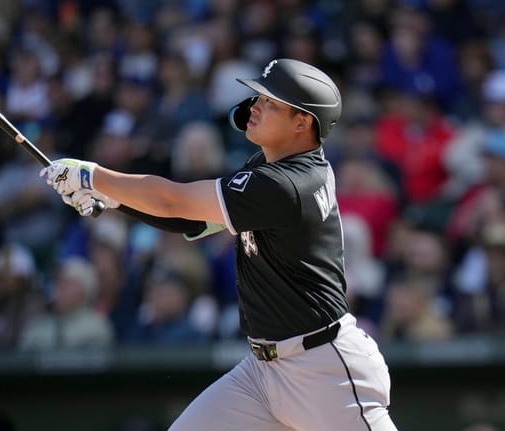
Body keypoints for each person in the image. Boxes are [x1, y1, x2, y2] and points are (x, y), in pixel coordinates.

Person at [41, 59, 398, 430]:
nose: (255, 106)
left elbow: (172, 201)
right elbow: (192, 220)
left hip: (325, 372)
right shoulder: (272, 166)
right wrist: (117, 200)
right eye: (259, 97)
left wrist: (94, 177)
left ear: (302, 122)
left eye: (270, 102)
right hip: (263, 373)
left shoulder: (286, 184)